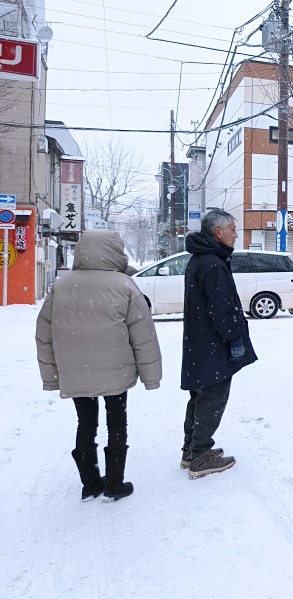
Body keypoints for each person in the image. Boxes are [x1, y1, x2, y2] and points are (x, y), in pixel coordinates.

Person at [35, 230, 162, 501]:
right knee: (117, 423)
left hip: (77, 371)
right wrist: (150, 376)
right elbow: (143, 335)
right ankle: (115, 482)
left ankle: (91, 482)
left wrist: (51, 375)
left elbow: (44, 333)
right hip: (116, 370)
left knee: (85, 423)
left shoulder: (62, 286)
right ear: (116, 251)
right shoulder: (125, 285)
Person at [181, 209, 257, 479]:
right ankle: (201, 456)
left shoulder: (200, 259)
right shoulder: (213, 263)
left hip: (200, 343)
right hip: (212, 345)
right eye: (233, 230)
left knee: (200, 397)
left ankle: (190, 450)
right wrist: (234, 338)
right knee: (212, 399)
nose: (236, 235)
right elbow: (222, 309)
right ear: (218, 232)